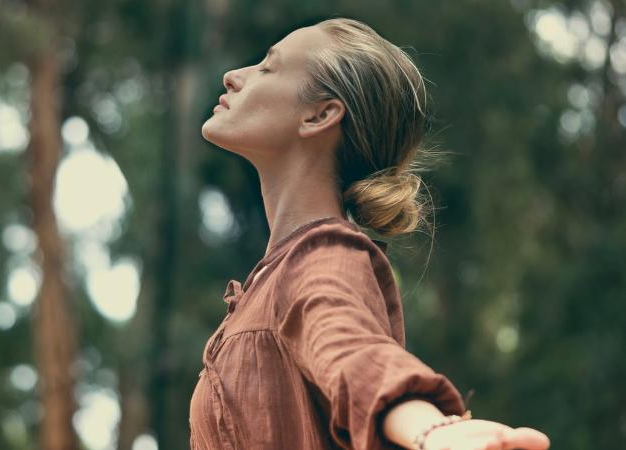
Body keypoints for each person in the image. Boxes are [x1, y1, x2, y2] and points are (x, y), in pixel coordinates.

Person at [191, 17, 551, 450]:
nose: (233, 75)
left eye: (268, 67)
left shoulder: (322, 256)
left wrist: (432, 431)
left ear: (321, 114)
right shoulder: (267, 282)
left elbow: (352, 350)